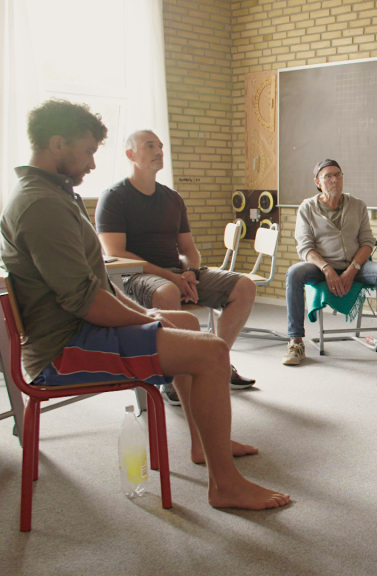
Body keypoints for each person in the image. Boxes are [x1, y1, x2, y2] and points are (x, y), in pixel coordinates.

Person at [0, 99, 288, 510]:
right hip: (63, 349)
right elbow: (85, 301)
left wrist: (151, 317)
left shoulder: (51, 194)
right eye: (87, 151)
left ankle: (203, 446)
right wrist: (147, 316)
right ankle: (225, 485)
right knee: (213, 352)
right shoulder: (42, 204)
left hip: (76, 327)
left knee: (186, 323)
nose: (92, 164)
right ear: (57, 144)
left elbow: (92, 282)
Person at [95, 130, 258, 406]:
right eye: (150, 146)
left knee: (244, 286)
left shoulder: (172, 198)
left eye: (160, 146)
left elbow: (189, 249)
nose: (159, 151)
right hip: (136, 275)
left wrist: (191, 273)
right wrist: (171, 276)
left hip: (175, 272)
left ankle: (214, 361)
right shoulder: (113, 197)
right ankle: (173, 378)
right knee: (168, 291)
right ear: (131, 155)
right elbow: (115, 253)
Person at [282, 159, 377, 366]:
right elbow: (305, 247)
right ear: (318, 182)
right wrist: (326, 268)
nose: (335, 180)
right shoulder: (307, 208)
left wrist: (353, 269)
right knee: (294, 273)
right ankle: (296, 342)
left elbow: (367, 242)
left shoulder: (357, 205)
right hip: (321, 266)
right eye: (328, 176)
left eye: (338, 175)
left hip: (356, 265)